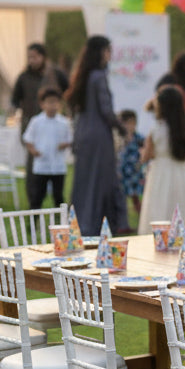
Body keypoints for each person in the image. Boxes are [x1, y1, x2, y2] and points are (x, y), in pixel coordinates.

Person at [65, 36, 129, 236]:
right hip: (99, 136)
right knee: (102, 181)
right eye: (108, 50)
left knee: (84, 181)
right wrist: (121, 127)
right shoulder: (99, 76)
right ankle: (99, 225)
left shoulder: (84, 75)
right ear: (101, 51)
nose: (110, 54)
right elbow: (106, 111)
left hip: (84, 134)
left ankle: (79, 224)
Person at [138, 85, 185, 239]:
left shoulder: (157, 128)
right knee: (183, 206)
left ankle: (160, 238)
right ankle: (184, 237)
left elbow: (147, 155)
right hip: (183, 172)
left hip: (161, 172)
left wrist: (142, 155)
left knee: (161, 205)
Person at [11, 43, 70, 196]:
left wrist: (58, 106)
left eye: (35, 57)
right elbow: (15, 99)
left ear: (43, 57)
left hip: (55, 124)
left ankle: (58, 201)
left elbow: (69, 91)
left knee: (56, 162)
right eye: (29, 57)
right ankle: (34, 202)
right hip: (34, 124)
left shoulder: (55, 74)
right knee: (34, 165)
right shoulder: (24, 77)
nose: (32, 60)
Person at [22, 86, 73, 209]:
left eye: (55, 102)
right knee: (37, 196)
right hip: (41, 165)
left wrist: (64, 144)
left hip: (58, 165)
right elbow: (27, 139)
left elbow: (70, 139)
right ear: (42, 104)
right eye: (49, 102)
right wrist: (33, 150)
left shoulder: (63, 122)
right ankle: (33, 223)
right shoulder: (36, 121)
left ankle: (61, 222)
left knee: (58, 196)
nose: (52, 105)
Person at [117, 110, 146, 219]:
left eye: (132, 123)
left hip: (135, 173)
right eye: (127, 123)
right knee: (121, 198)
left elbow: (145, 151)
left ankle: (142, 218)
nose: (130, 126)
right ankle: (123, 221)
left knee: (136, 197)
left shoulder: (139, 138)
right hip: (122, 172)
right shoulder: (119, 139)